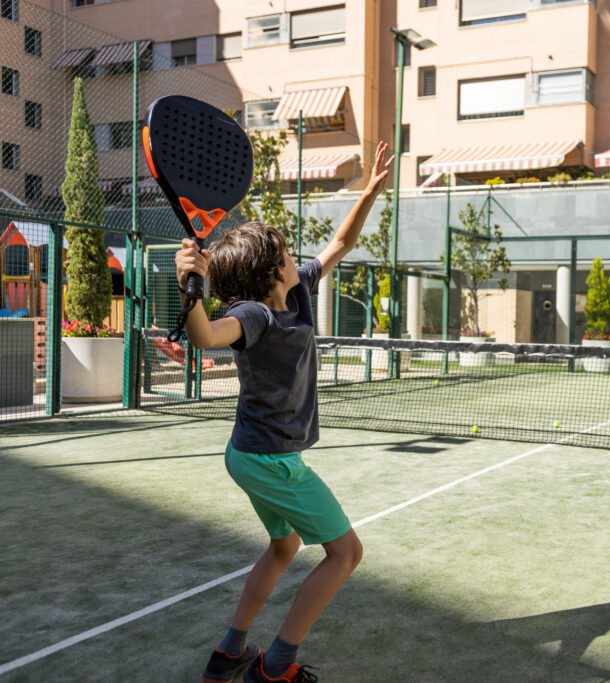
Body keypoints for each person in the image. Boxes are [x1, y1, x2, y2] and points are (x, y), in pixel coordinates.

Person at [182, 141, 393, 683]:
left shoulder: (296, 291)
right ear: (267, 272)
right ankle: (274, 667)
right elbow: (206, 335)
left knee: (284, 546)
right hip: (268, 459)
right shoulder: (253, 315)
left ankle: (230, 652)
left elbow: (342, 241)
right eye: (280, 252)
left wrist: (369, 191)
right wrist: (191, 284)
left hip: (257, 453)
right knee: (345, 554)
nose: (290, 254)